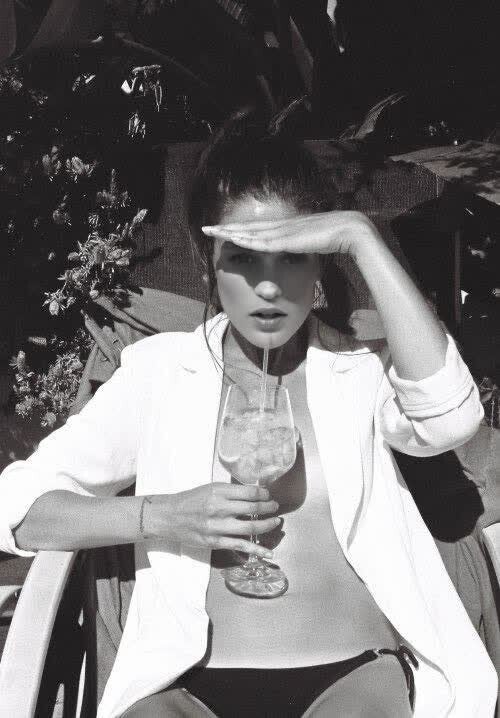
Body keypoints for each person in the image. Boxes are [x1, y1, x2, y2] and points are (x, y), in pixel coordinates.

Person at [0, 112, 497, 718]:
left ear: (320, 265)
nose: (267, 288)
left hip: (353, 674)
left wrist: (360, 235)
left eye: (292, 257)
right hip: (187, 683)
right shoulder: (160, 374)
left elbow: (449, 420)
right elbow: (18, 508)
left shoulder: (360, 372)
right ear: (206, 259)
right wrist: (162, 516)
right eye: (242, 258)